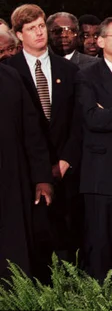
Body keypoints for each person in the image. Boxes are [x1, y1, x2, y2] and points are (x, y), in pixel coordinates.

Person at [5, 4, 82, 279]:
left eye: (41, 26)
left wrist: (66, 160)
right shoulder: (9, 72)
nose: (39, 33)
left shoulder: (70, 70)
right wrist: (38, 170)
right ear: (18, 34)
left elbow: (78, 121)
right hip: (25, 174)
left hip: (66, 168)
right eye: (31, 28)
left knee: (69, 239)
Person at [76, 17, 112, 281]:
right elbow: (92, 118)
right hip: (101, 175)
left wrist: (111, 113)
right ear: (99, 41)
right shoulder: (86, 75)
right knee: (101, 246)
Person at [0, 63, 54, 280]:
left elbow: (33, 131)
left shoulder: (10, 76)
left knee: (12, 249)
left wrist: (42, 178)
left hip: (11, 178)